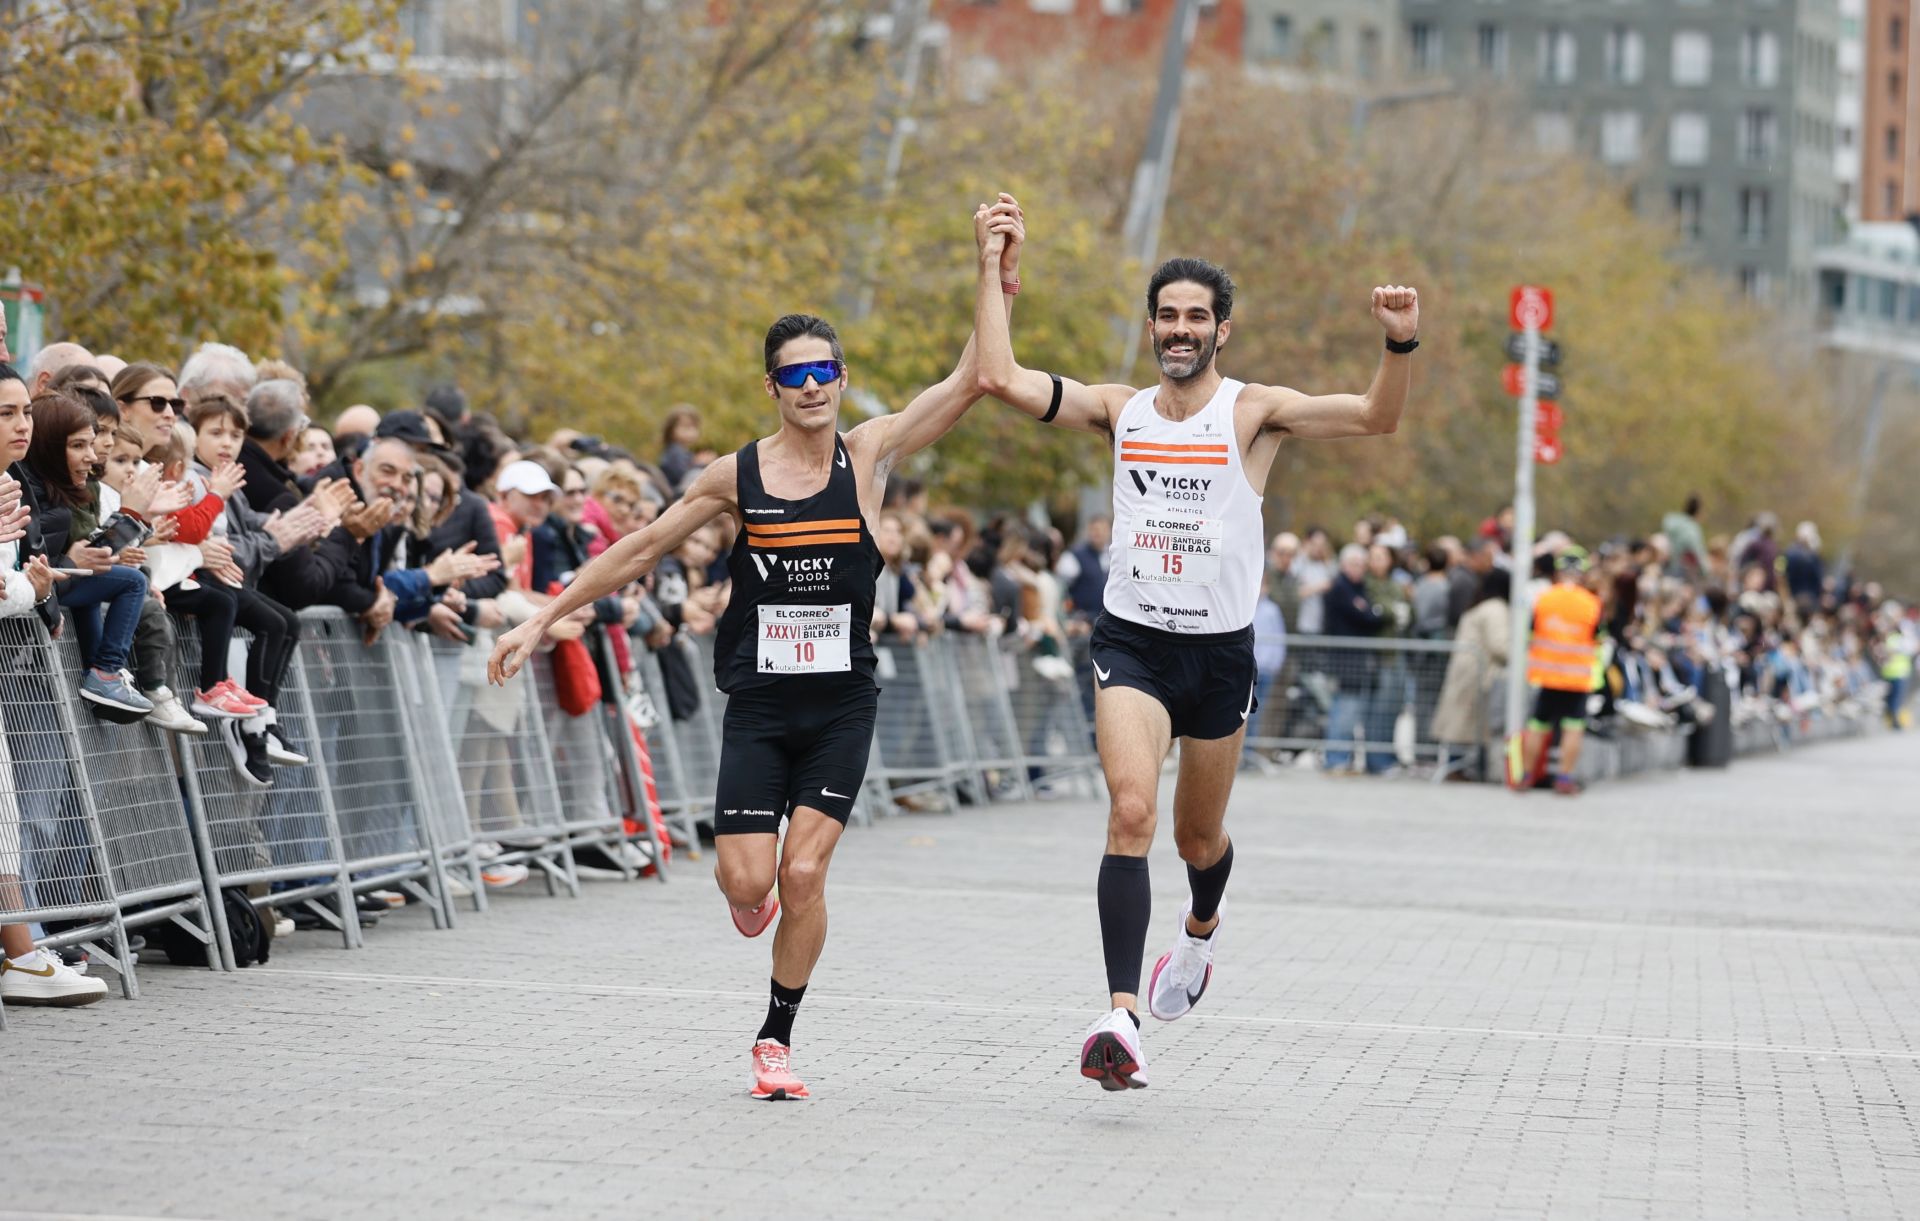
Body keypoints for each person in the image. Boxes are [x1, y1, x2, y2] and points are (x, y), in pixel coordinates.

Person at [488, 196, 1026, 1102]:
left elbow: (976, 376)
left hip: (843, 704)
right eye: (793, 375)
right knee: (748, 881)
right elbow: (640, 547)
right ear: (771, 389)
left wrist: (994, 271)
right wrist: (541, 617)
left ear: (843, 378)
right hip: (762, 704)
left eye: (823, 370)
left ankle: (775, 1037)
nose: (811, 386)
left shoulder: (871, 454)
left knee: (806, 869)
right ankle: (757, 901)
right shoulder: (734, 475)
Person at [975, 242, 1417, 1090]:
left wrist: (1397, 345)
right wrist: (991, 275)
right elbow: (1000, 376)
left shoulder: (1253, 413)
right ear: (1151, 326)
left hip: (1218, 657)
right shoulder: (1120, 408)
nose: (1180, 330)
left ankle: (1200, 930)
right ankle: (1120, 1016)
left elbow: (1374, 416)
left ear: (1221, 329)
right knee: (1131, 812)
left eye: (1196, 317)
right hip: (1132, 643)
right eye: (1168, 316)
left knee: (1197, 836)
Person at [1519, 547, 1602, 795]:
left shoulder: (1544, 598)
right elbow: (1599, 638)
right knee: (1573, 728)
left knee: (1537, 725)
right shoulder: (1591, 603)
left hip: (1546, 675)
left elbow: (1531, 633)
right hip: (1576, 678)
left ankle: (1525, 775)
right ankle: (1564, 778)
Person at [1431, 567, 1511, 779]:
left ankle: (1458, 766)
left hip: (1466, 670)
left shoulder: (1479, 606)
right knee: (1471, 722)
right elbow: (1499, 644)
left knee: (1462, 722)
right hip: (1479, 673)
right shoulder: (1496, 609)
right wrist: (1521, 656)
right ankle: (1461, 768)